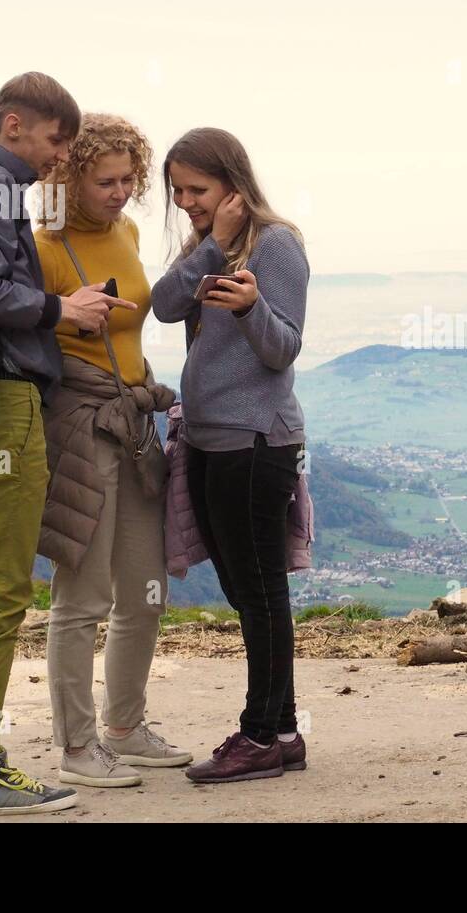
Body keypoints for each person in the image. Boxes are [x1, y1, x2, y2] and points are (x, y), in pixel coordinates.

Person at [0, 72, 132, 817]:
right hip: (6, 403)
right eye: (54, 140)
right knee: (1, 593)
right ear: (15, 126)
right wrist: (59, 307)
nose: (59, 157)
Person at [150, 127, 310, 783]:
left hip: (256, 443)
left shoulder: (277, 246)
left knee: (262, 591)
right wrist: (212, 244)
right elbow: (163, 306)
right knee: (251, 593)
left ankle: (259, 735)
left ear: (233, 186)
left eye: (198, 188)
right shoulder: (207, 246)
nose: (186, 200)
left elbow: (283, 349)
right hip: (211, 441)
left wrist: (250, 308)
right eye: (178, 190)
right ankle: (286, 730)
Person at [34, 113, 190, 787]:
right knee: (83, 592)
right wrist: (64, 310)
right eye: (106, 180)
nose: (122, 192)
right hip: (80, 422)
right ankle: (75, 745)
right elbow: (17, 332)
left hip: (133, 418)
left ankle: (123, 727)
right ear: (70, 176)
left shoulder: (125, 232)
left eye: (130, 178)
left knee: (145, 587)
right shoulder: (43, 245)